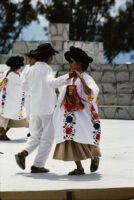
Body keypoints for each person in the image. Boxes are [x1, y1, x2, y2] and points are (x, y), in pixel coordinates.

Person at [15, 43, 71, 173]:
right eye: (51, 56)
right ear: (48, 57)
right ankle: (38, 165)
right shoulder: (46, 68)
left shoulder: (29, 69)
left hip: (34, 108)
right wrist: (67, 77)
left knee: (35, 136)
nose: (52, 58)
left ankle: (23, 152)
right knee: (47, 138)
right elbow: (51, 83)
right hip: (47, 108)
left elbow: (25, 87)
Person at [53, 46, 101, 175]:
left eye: (72, 61)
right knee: (70, 139)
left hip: (82, 115)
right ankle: (79, 167)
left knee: (86, 135)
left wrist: (81, 79)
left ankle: (95, 157)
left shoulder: (87, 78)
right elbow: (59, 89)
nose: (70, 64)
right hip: (69, 116)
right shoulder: (68, 78)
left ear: (79, 64)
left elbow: (90, 92)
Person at [0, 56, 29, 140]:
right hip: (12, 102)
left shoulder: (6, 73)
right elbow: (22, 88)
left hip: (5, 102)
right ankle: (2, 133)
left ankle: (2, 133)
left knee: (5, 120)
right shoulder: (16, 76)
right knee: (10, 119)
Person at [21, 50, 37, 137]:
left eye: (31, 59)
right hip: (27, 94)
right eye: (29, 58)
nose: (29, 60)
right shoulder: (26, 68)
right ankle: (31, 130)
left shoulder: (37, 68)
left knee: (35, 114)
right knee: (29, 113)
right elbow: (23, 78)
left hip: (35, 94)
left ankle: (35, 131)